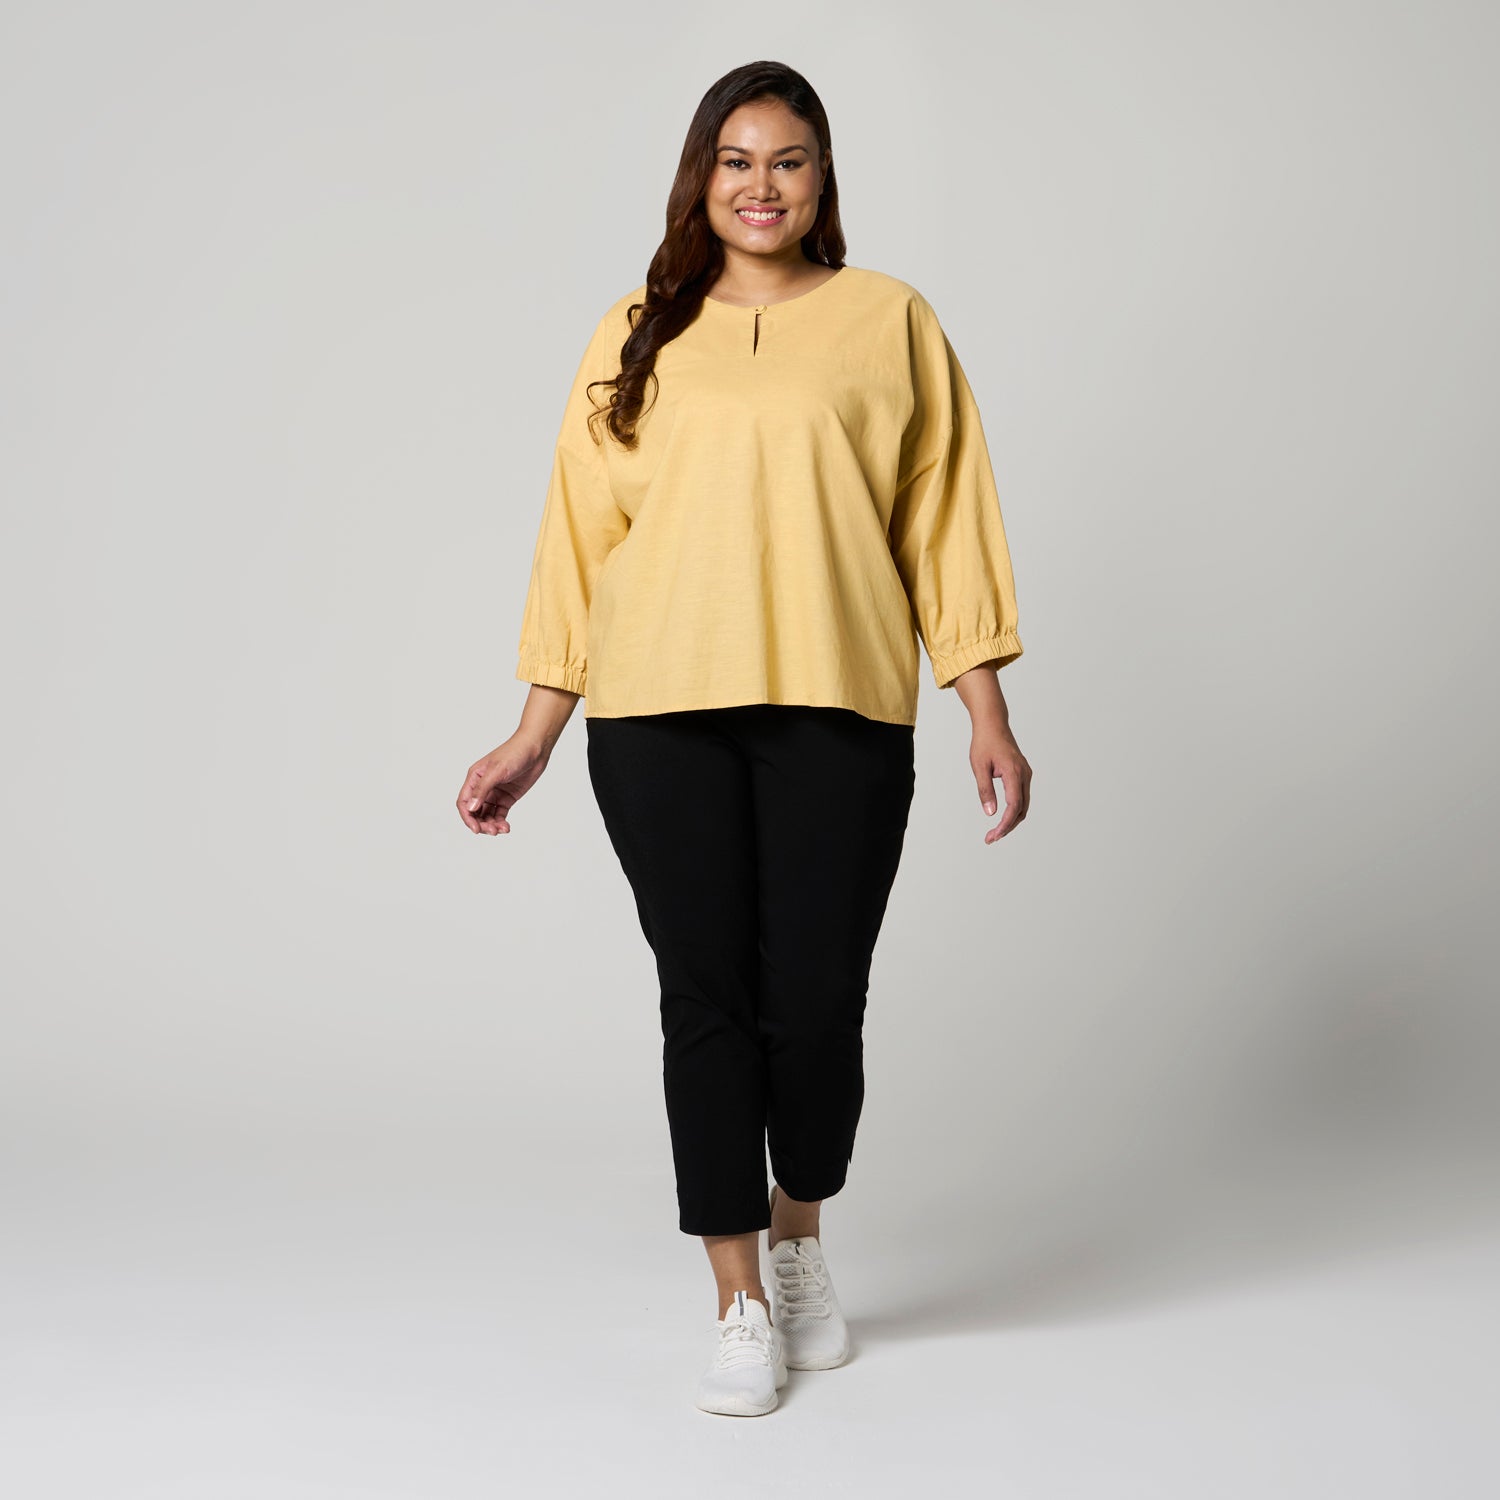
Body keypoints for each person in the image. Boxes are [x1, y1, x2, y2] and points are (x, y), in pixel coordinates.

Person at [456, 60, 1033, 1418]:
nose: (759, 185)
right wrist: (536, 729)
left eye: (786, 160)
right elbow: (578, 540)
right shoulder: (635, 332)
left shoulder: (891, 321)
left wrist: (986, 708)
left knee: (817, 1002)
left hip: (842, 702)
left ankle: (799, 1239)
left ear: (821, 179)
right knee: (704, 999)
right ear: (699, 177)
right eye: (734, 159)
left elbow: (944, 521)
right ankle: (736, 1301)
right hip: (658, 714)